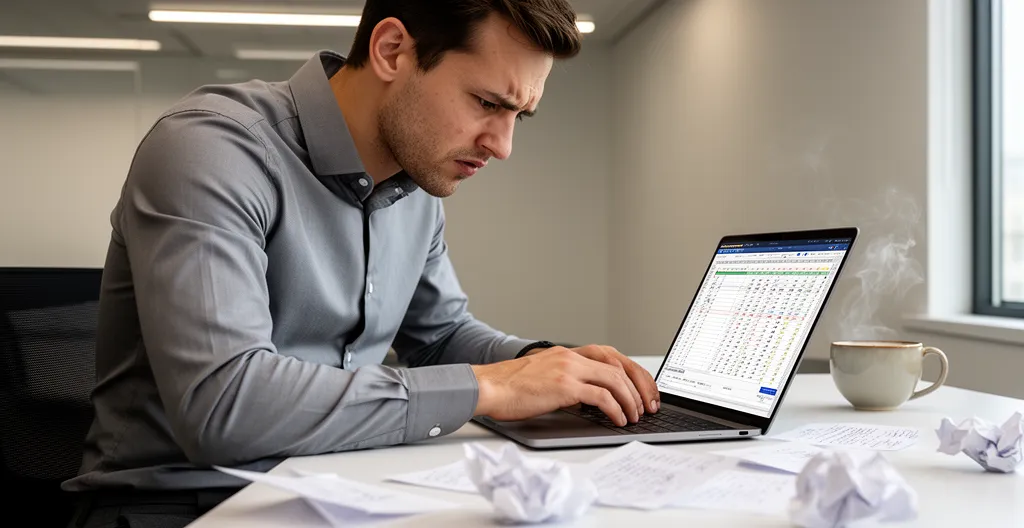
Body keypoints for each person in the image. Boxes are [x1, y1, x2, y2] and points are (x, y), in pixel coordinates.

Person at [64, 1, 660, 526]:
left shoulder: (415, 182)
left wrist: (543, 366)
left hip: (339, 490)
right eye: (486, 103)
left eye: (518, 116)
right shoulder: (212, 151)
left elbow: (442, 335)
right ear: (392, 50)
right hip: (182, 508)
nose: (502, 145)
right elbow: (226, 405)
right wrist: (490, 386)